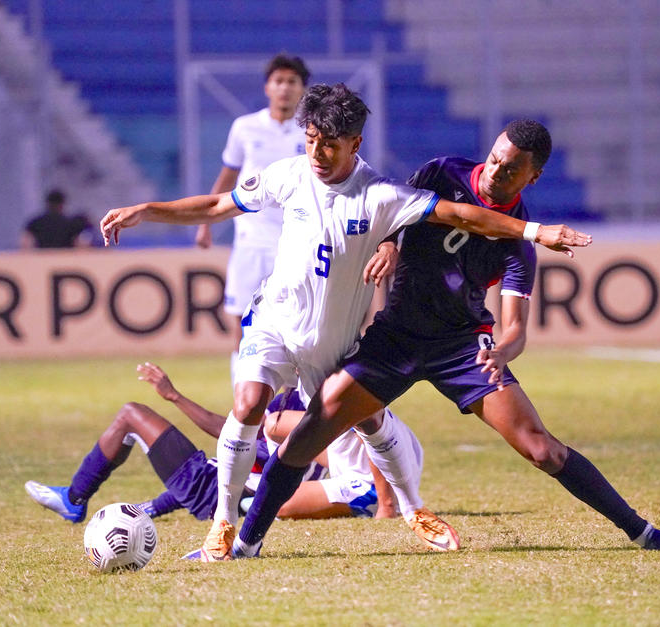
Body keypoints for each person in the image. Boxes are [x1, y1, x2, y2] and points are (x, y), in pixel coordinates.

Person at [99, 83, 590, 561]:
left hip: (330, 341)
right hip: (274, 321)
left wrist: (534, 231)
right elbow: (214, 205)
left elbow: (465, 216)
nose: (317, 153)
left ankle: (414, 509)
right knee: (248, 405)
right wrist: (147, 210)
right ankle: (222, 527)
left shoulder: (379, 195)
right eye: (310, 140)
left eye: (329, 144)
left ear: (355, 143)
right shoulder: (287, 175)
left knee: (369, 421)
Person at [231, 120, 660, 559]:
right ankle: (246, 545)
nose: (497, 170)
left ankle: (645, 534)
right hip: (396, 336)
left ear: (532, 178)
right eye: (496, 157)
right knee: (309, 431)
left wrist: (504, 350)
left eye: (512, 168)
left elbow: (515, 326)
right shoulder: (442, 172)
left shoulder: (518, 245)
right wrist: (389, 244)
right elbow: (393, 211)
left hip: (461, 349)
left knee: (542, 448)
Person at [24, 362, 419, 527]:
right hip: (224, 486)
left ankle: (75, 499)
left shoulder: (305, 406)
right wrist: (150, 508)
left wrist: (175, 397)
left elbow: (233, 438)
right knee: (223, 471)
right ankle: (83, 500)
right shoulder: (307, 400)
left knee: (131, 415)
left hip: (225, 490)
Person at [194, 54, 310, 378]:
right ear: (267, 87)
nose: (284, 88)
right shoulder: (244, 128)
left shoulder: (311, 131)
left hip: (295, 243)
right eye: (279, 81)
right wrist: (206, 224)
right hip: (250, 241)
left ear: (303, 89)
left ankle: (289, 403)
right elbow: (226, 180)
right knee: (241, 320)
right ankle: (242, 401)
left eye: (292, 82)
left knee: (295, 324)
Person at [21, 189, 92, 249]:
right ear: (62, 204)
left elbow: (25, 243)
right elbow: (80, 244)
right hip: (66, 259)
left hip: (42, 259)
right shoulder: (70, 223)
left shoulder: (36, 222)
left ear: (47, 204)